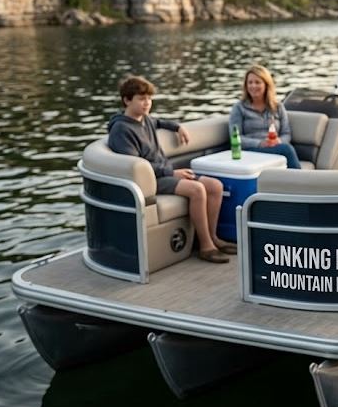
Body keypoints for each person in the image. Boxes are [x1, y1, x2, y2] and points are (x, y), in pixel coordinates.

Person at [108, 75, 237, 264]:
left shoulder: (146, 120)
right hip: (151, 181)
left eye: (149, 99)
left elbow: (159, 122)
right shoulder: (121, 129)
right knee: (197, 189)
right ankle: (206, 246)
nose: (147, 103)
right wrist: (171, 173)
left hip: (164, 174)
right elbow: (135, 166)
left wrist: (177, 127)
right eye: (141, 99)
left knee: (215, 186)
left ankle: (213, 237)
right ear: (127, 100)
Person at [229, 65, 301, 169]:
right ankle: (304, 182)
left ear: (266, 85)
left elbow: (286, 133)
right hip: (251, 151)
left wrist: (278, 141)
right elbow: (235, 137)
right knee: (287, 150)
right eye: (250, 82)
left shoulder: (278, 106)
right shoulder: (239, 108)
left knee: (285, 148)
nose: (253, 86)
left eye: (257, 82)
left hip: (274, 148)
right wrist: (260, 143)